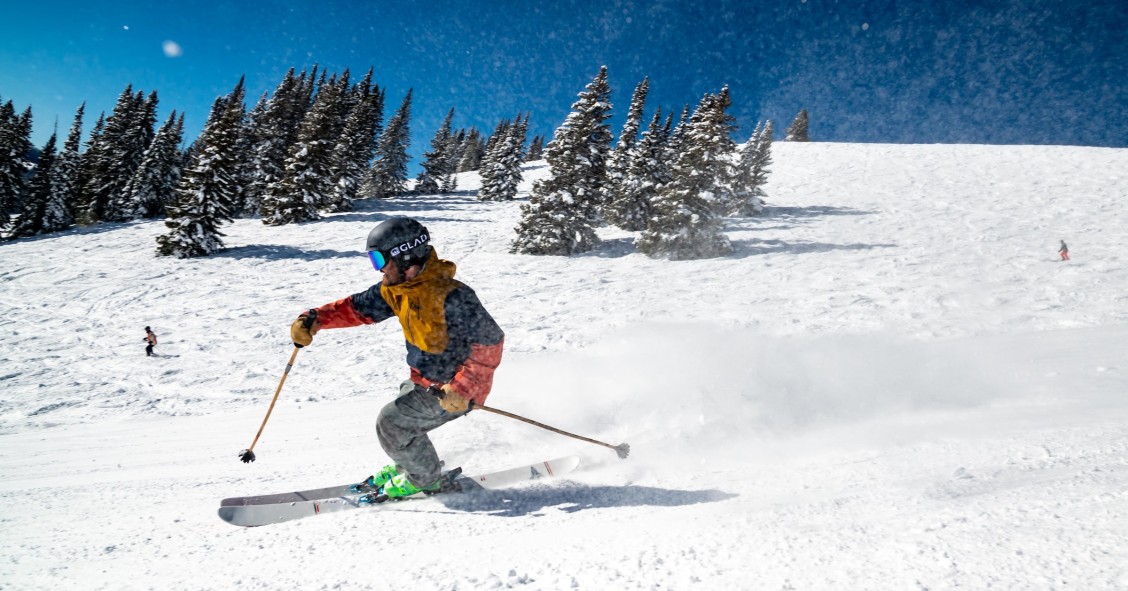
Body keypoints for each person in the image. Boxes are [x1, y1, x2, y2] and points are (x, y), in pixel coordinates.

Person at [290, 217, 504, 499]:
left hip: (454, 390)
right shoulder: (398, 290)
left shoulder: (452, 296)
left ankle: (426, 478)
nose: (378, 269)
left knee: (392, 424)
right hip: (423, 380)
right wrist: (315, 319)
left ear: (405, 257)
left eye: (379, 259)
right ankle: (413, 463)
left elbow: (491, 342)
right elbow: (357, 308)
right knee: (403, 421)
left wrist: (463, 388)